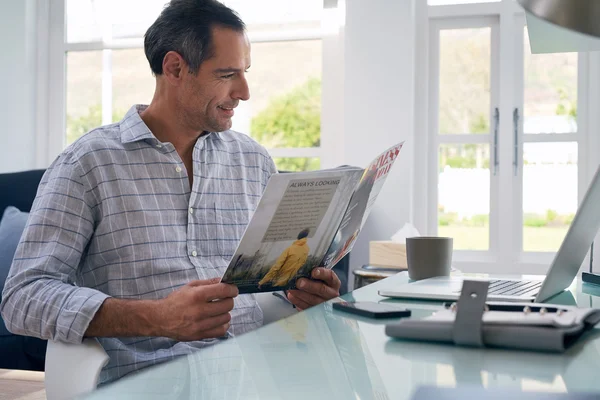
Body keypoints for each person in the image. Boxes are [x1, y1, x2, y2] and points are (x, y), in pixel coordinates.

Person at [0, 0, 340, 386]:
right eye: (227, 74)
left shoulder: (253, 161)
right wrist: (157, 317)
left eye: (245, 73)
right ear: (175, 68)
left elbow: (270, 286)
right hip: (145, 384)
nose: (244, 92)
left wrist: (305, 294)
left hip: (253, 378)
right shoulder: (88, 164)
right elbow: (22, 298)